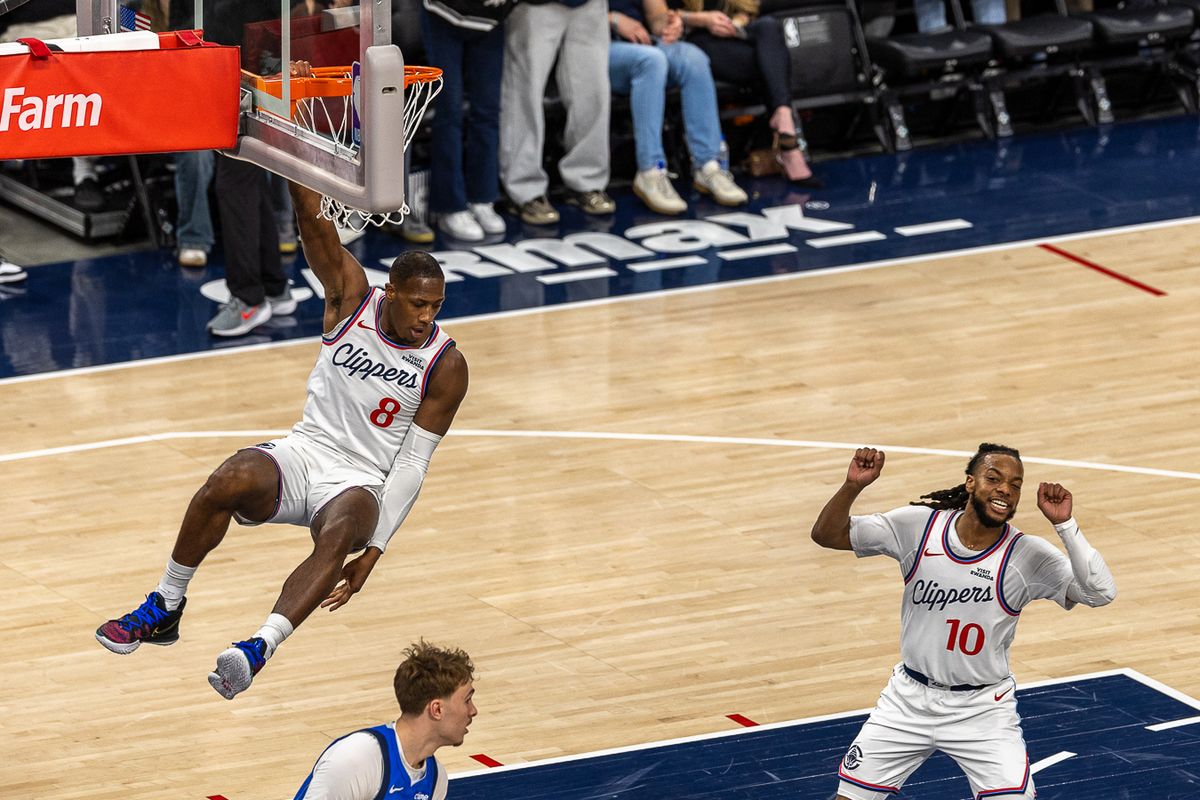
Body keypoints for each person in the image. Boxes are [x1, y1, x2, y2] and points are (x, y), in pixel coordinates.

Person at [95, 180, 470, 700]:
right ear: (393, 291)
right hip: (305, 450)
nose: (427, 316)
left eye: (436, 305)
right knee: (225, 480)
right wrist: (290, 156)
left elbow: (413, 463)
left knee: (340, 537)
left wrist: (378, 548)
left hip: (360, 480)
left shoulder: (446, 364)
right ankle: (165, 605)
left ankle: (258, 648)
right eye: (418, 304)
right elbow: (313, 221)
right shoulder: (351, 295)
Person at [810, 443, 1116, 800]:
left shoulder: (1027, 556)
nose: (1005, 489)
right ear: (970, 483)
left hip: (982, 710)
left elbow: (1100, 593)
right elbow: (827, 535)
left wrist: (1065, 524)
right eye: (994, 478)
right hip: (908, 701)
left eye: (1015, 484)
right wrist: (853, 486)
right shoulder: (918, 527)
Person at [608, 0, 749, 215]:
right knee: (651, 61)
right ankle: (650, 171)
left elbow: (656, 16)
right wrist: (613, 20)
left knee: (693, 59)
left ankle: (707, 165)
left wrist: (668, 24)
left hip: (643, 41)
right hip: (597, 44)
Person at [292, 640, 477, 799]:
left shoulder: (436, 780)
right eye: (467, 700)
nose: (473, 711)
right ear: (437, 709)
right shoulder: (357, 759)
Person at [499, 0, 616, 226]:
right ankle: (523, 189)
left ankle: (586, 181)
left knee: (594, 92)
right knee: (524, 94)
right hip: (536, 5)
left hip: (589, 5)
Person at [676, 0, 816, 183]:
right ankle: (789, 143)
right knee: (771, 63)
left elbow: (750, 9)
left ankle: (783, 114)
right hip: (693, 39)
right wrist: (702, 20)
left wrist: (737, 22)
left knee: (768, 25)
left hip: (733, 37)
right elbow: (659, 17)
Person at [420, 0, 514, 242]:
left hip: (491, 20)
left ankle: (482, 198)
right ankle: (450, 206)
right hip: (445, 15)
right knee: (449, 111)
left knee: (488, 110)